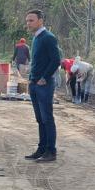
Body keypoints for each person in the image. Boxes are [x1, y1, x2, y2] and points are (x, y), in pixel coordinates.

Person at [24, 9, 61, 162]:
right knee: (40, 119)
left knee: (47, 118)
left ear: (40, 20)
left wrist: (44, 78)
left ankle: (51, 151)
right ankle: (42, 148)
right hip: (34, 84)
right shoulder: (36, 38)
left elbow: (56, 60)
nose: (28, 23)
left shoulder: (48, 38)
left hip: (44, 85)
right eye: (27, 21)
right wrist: (31, 79)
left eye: (31, 20)